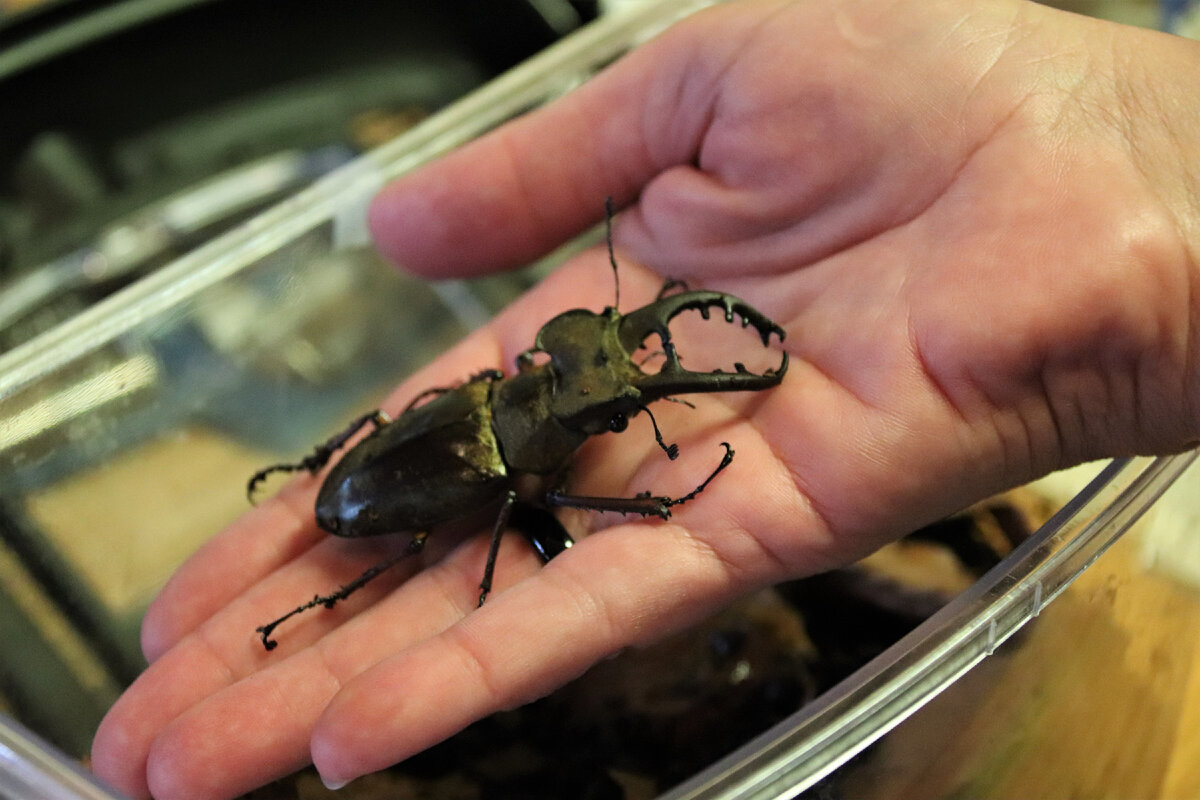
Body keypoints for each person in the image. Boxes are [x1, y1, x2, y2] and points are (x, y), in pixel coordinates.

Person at [90, 0, 1200, 797]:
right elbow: (474, 546)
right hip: (381, 495)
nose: (615, 382)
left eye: (609, 384)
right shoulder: (495, 454)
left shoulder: (495, 402)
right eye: (598, 385)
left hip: (427, 460)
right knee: (414, 549)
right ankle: (317, 567)